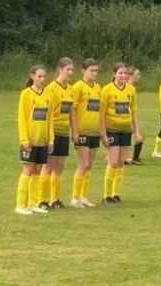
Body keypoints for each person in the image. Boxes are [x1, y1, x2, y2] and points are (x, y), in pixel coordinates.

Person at [14, 64, 54, 215]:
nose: (42, 79)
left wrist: (51, 140)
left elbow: (49, 119)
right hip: (30, 140)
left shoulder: (48, 95)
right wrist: (24, 139)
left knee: (37, 170)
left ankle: (33, 203)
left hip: (42, 140)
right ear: (32, 76)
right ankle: (20, 204)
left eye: (44, 76)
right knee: (27, 170)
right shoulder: (26, 94)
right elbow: (22, 118)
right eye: (39, 76)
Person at [99, 63, 141, 205]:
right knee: (113, 161)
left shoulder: (131, 90)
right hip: (112, 130)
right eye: (120, 73)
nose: (123, 76)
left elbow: (134, 111)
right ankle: (106, 195)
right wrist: (103, 134)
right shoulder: (107, 90)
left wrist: (137, 132)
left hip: (126, 130)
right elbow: (102, 114)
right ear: (114, 74)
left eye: (125, 73)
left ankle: (116, 194)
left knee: (122, 162)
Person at [38, 57, 75, 210]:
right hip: (53, 131)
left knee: (60, 166)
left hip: (65, 131)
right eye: (68, 70)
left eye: (72, 70)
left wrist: (74, 130)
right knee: (49, 166)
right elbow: (47, 113)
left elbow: (71, 112)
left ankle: (55, 199)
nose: (71, 73)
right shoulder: (51, 89)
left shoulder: (70, 89)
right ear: (60, 70)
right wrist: (49, 135)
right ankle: (42, 199)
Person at [69, 58, 101, 209]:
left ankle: (84, 196)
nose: (94, 73)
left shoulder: (98, 87)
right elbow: (73, 110)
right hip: (82, 131)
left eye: (96, 70)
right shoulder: (77, 87)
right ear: (83, 71)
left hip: (94, 131)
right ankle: (75, 198)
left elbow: (99, 111)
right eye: (91, 70)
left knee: (89, 165)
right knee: (83, 164)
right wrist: (75, 130)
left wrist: (101, 131)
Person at [126, 68, 145, 165]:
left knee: (139, 135)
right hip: (125, 117)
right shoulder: (128, 87)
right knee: (137, 135)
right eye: (137, 74)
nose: (139, 77)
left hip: (130, 115)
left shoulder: (132, 88)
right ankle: (132, 158)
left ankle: (134, 158)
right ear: (131, 75)